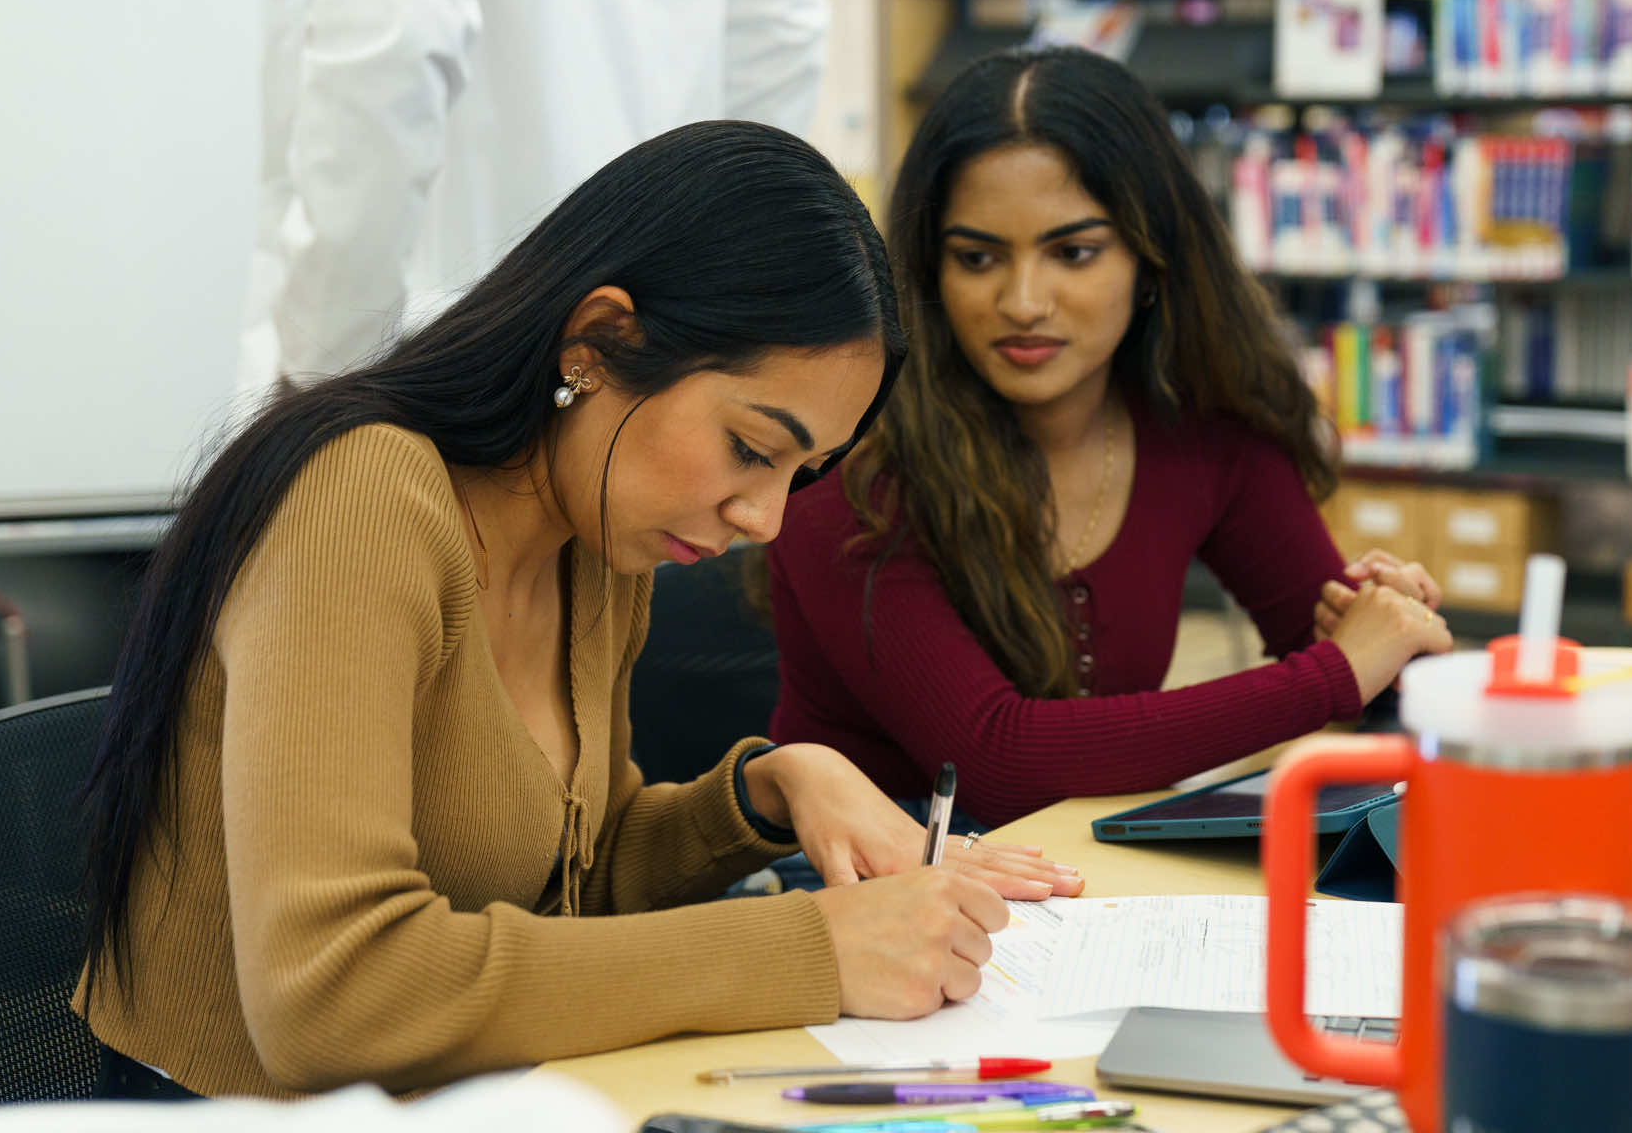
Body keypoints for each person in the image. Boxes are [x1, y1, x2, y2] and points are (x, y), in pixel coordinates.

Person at [77, 123, 1081, 1100]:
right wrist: (810, 948)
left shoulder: (593, 536)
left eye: (803, 472)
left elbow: (569, 885)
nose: (766, 517)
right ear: (598, 342)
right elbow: (330, 993)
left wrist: (769, 792)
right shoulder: (361, 497)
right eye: (749, 446)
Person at [766, 48, 1453, 830]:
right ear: (928, 272)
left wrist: (1398, 635)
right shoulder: (850, 468)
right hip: (861, 886)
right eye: (978, 257)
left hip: (1084, 871)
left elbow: (1350, 654)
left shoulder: (1204, 429)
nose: (1023, 301)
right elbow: (994, 762)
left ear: (1151, 259)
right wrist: (1338, 672)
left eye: (1074, 253)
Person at [238, 0, 831, 394]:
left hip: (437, 370)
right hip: (624, 365)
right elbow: (783, 31)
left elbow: (394, 32)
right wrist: (681, 306)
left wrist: (326, 359)